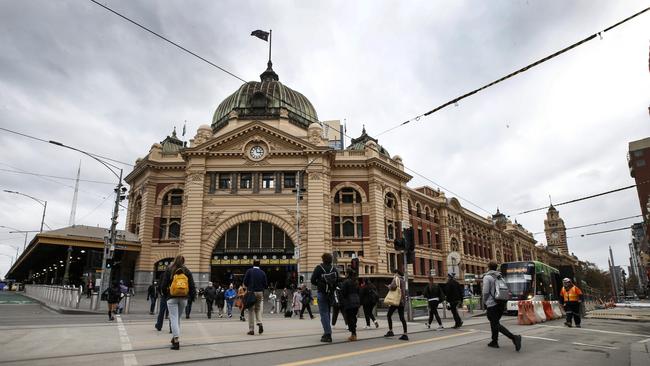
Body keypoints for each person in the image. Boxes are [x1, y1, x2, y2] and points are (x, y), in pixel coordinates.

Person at [159, 255, 196, 350]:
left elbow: (163, 285)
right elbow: (192, 285)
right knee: (178, 319)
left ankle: (176, 340)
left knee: (174, 318)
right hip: (184, 298)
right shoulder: (186, 271)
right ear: (183, 261)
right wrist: (192, 297)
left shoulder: (169, 269)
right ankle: (174, 337)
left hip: (172, 297)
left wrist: (165, 293)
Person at [483, 261, 521, 351]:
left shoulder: (487, 277)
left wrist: (485, 302)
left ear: (488, 267)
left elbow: (485, 292)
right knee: (494, 322)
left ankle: (514, 337)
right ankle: (494, 341)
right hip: (501, 302)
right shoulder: (500, 276)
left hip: (492, 304)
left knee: (495, 323)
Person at [311, 253, 338, 343]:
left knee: (324, 313)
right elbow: (337, 281)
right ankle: (327, 331)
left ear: (323, 259)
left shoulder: (319, 268)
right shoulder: (333, 268)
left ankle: (327, 334)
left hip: (322, 293)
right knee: (328, 313)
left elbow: (312, 280)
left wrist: (320, 284)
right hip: (330, 294)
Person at [243, 260, 268, 335]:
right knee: (258, 309)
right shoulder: (262, 272)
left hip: (251, 292)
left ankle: (251, 330)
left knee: (251, 310)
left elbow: (245, 282)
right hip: (260, 292)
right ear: (259, 265)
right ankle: (259, 323)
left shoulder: (249, 271)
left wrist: (249, 286)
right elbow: (265, 284)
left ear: (253, 264)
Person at [384, 268, 408, 341]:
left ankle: (390, 331)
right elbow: (403, 291)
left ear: (397, 273)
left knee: (389, 315)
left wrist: (388, 286)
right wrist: (404, 300)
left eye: (394, 273)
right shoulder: (403, 280)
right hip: (401, 301)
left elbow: (392, 287)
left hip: (395, 301)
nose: (393, 274)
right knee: (402, 318)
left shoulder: (396, 279)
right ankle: (405, 334)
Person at [340, 268, 361, 341]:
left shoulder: (346, 282)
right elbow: (359, 291)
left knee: (350, 318)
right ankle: (353, 332)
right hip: (356, 301)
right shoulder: (356, 281)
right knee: (353, 317)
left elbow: (343, 293)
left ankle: (353, 334)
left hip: (349, 302)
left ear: (347, 274)